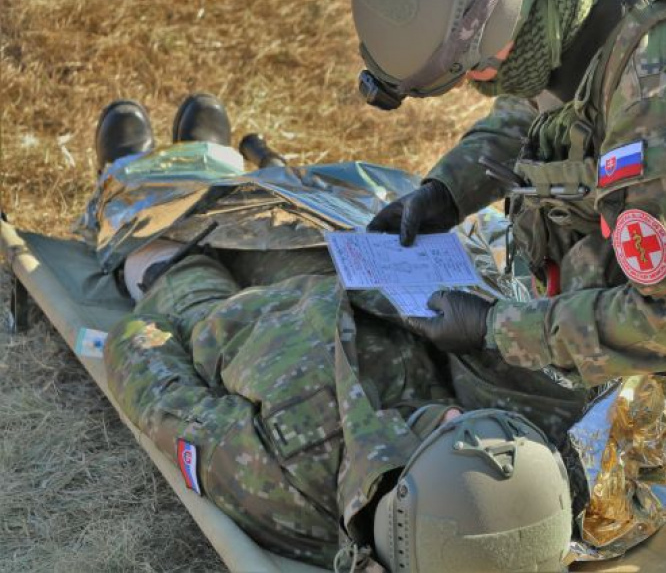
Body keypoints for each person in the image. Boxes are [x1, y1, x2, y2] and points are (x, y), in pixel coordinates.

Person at [353, 0, 666, 553]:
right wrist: (447, 191)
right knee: (590, 400)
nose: (479, 80)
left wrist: (495, 327)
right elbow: (541, 109)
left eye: (480, 63)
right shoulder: (563, 17)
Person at [94, 94, 577, 572]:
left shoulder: (280, 485)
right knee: (276, 215)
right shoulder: (526, 475)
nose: (455, 414)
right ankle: (212, 163)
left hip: (229, 318)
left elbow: (162, 395)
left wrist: (147, 320)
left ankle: (131, 176)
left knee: (165, 251)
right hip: (351, 281)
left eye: (447, 435)